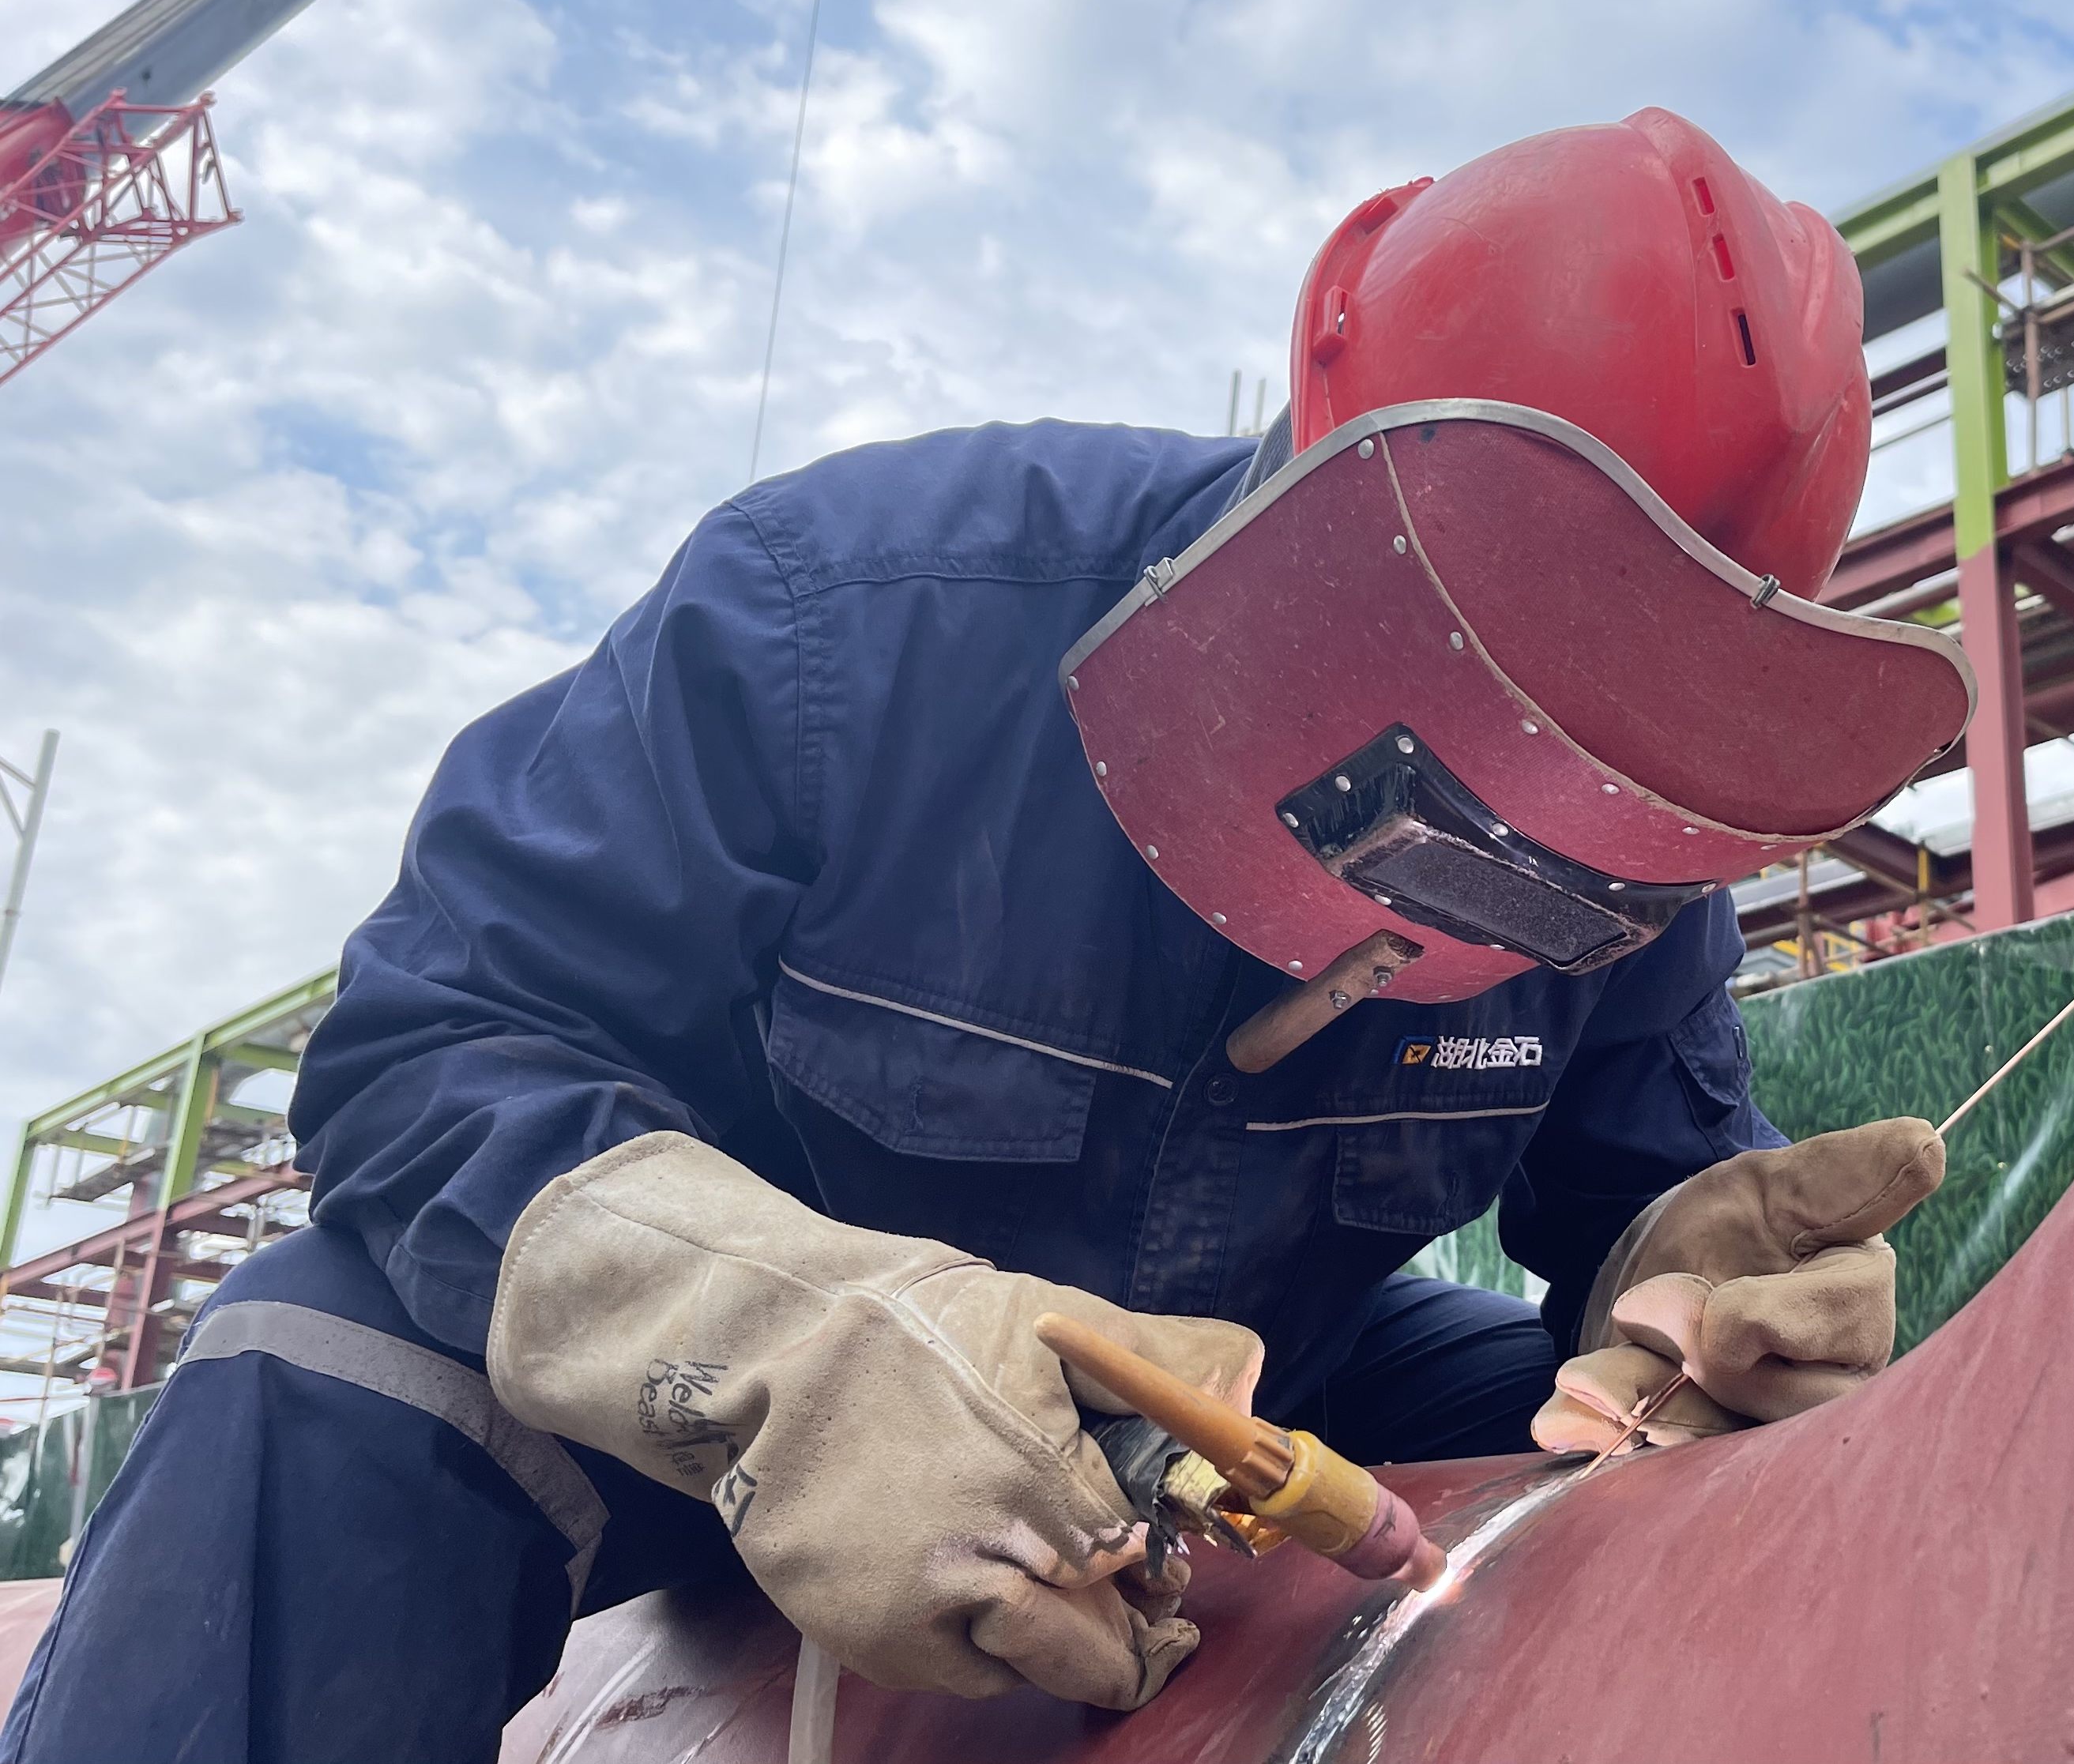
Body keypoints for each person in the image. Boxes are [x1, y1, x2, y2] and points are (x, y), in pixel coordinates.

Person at [0, 107, 1972, 1762]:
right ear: (1323, 457)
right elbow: (433, 1048)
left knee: (1651, 1475)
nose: (1510, 803)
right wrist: (794, 1345)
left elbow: (1645, 1197)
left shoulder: (1622, 834)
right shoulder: (849, 624)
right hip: (723, 1417)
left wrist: (1685, 1307)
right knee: (327, 1377)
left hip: (1243, 1399)